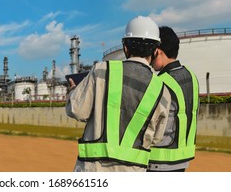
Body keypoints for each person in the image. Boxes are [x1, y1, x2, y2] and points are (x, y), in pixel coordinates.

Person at [66, 15, 171, 172]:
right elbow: (155, 137)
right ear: (156, 51)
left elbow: (77, 110)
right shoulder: (163, 90)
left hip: (93, 170)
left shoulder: (101, 70)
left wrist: (73, 92)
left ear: (125, 47)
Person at [147, 26, 199, 172]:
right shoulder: (191, 76)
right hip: (183, 159)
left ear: (158, 51)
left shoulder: (160, 82)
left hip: (159, 159)